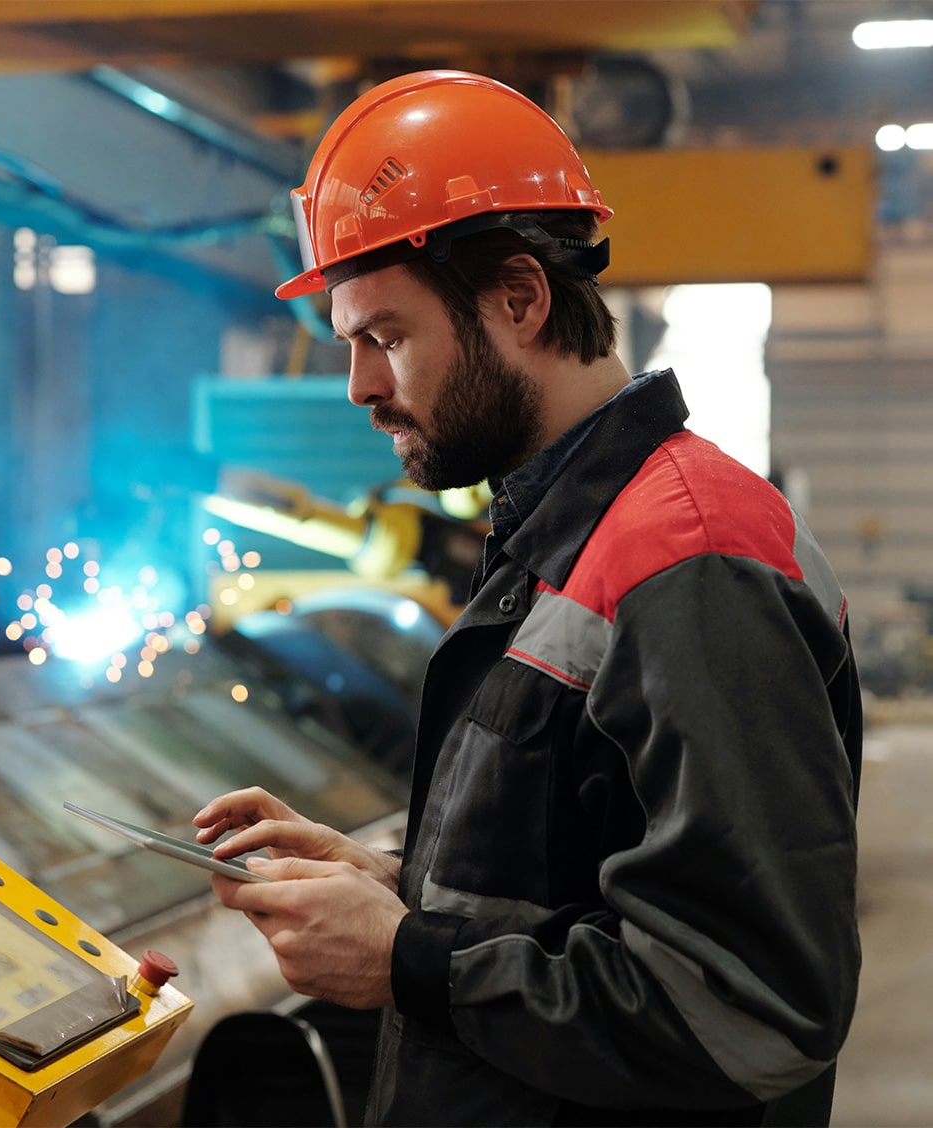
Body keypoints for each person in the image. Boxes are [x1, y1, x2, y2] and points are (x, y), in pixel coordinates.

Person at [193, 70, 862, 1127]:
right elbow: (585, 864)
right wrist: (396, 884)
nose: (361, 388)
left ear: (517, 298)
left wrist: (408, 958)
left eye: (385, 337)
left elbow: (747, 1005)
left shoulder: (689, 561)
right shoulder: (562, 534)